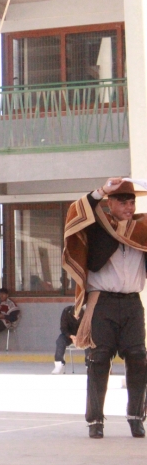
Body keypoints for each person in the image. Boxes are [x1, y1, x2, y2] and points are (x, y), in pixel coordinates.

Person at [62, 178, 147, 439]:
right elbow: (76, 211)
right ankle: (95, 421)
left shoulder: (142, 228)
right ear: (110, 203)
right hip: (103, 303)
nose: (129, 207)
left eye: (131, 201)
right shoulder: (98, 227)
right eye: (122, 202)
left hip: (133, 302)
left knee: (138, 358)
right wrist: (101, 190)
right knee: (98, 361)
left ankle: (135, 417)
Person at [52, 305, 86, 375]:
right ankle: (59, 364)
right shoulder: (66, 311)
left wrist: (80, 338)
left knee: (90, 343)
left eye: (79, 317)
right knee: (60, 340)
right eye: (75, 316)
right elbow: (63, 328)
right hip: (69, 335)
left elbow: (89, 328)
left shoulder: (86, 312)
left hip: (83, 335)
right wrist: (71, 336)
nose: (77, 318)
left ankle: (89, 365)